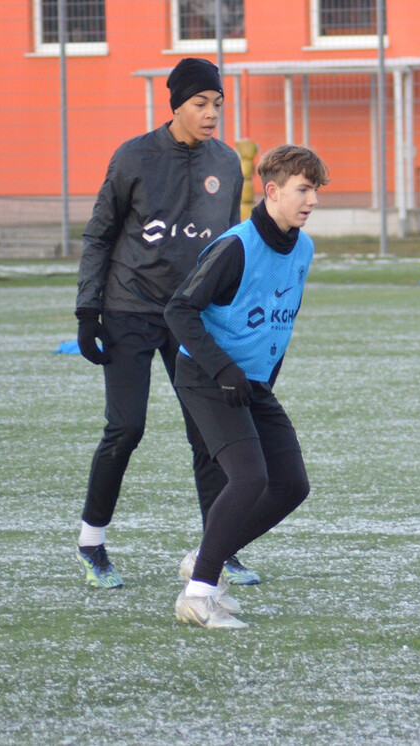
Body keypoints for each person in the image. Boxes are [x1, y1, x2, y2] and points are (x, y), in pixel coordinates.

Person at [74, 57, 260, 589]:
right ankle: (91, 543)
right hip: (129, 308)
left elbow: (229, 247)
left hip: (191, 317)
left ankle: (218, 548)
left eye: (217, 104)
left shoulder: (226, 162)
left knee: (208, 432)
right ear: (175, 104)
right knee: (126, 427)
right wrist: (89, 311)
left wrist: (228, 314)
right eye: (200, 103)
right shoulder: (133, 156)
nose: (211, 114)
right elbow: (99, 235)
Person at [164, 144, 328, 628]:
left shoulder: (304, 247)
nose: (312, 200)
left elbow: (280, 321)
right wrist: (222, 369)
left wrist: (258, 380)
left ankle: (206, 558)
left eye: (315, 190)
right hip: (205, 375)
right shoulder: (236, 246)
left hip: (251, 383)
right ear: (272, 191)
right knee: (249, 477)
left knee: (292, 485)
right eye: (303, 189)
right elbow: (179, 310)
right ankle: (197, 596)